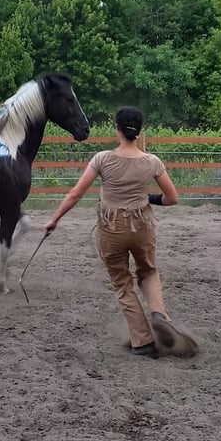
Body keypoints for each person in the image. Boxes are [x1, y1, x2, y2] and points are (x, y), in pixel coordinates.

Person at [44, 106, 197, 359]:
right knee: (148, 272)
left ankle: (144, 341)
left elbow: (76, 194)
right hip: (142, 226)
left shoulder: (102, 159)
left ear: (117, 128)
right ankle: (158, 313)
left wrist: (54, 219)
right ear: (140, 131)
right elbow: (172, 198)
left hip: (111, 228)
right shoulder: (152, 162)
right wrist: (149, 197)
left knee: (122, 282)